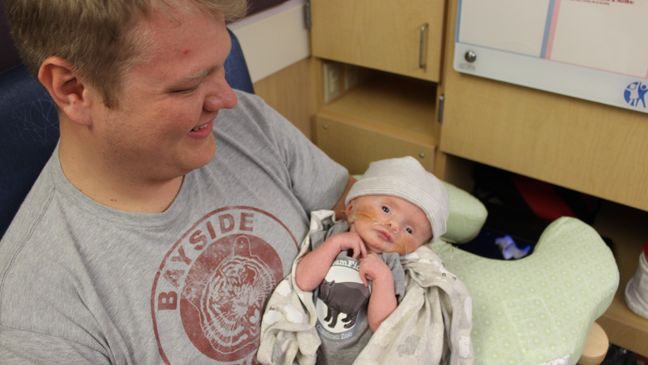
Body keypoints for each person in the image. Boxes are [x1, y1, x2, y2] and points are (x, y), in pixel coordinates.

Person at [0, 0, 353, 364]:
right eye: (187, 86)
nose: (228, 98)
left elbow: (356, 204)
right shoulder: (34, 321)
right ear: (72, 89)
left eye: (221, 66)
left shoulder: (248, 123)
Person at [293, 156, 449, 364]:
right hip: (312, 351)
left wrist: (382, 278)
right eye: (386, 209)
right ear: (351, 209)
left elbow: (383, 325)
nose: (393, 225)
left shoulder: (390, 264)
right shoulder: (331, 236)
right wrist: (335, 245)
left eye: (409, 230)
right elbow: (302, 281)